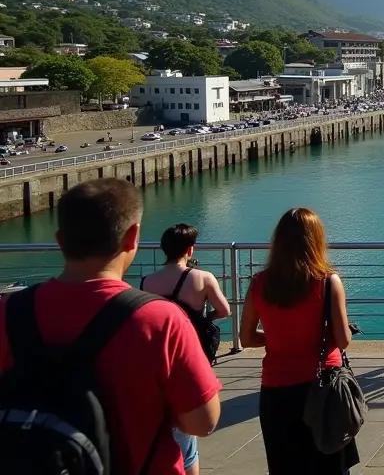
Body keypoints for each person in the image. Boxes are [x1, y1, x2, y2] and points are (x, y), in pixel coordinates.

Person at [0, 178, 222, 473]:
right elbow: (202, 421)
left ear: (60, 240)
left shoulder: (8, 312)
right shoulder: (160, 320)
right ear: (132, 238)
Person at [239, 208, 359, 474]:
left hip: (276, 392)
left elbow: (246, 338)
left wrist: (280, 337)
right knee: (330, 466)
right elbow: (343, 339)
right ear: (316, 239)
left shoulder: (259, 283)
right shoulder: (328, 282)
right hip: (323, 389)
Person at [141, 223, 232, 475]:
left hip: (157, 358)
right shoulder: (202, 278)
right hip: (190, 357)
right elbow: (225, 310)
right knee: (187, 441)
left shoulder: (147, 281)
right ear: (190, 250)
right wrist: (205, 318)